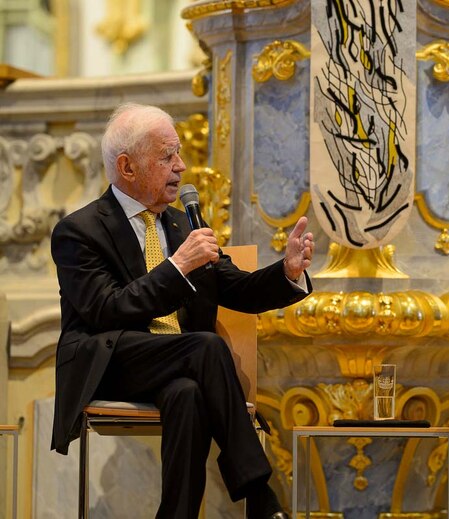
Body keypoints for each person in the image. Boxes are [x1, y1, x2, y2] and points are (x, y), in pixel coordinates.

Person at [50, 103, 313, 519]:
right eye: (167, 156)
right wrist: (178, 267)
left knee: (188, 394)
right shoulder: (79, 231)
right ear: (127, 167)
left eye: (179, 154)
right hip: (112, 361)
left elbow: (237, 288)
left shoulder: (182, 223)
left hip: (178, 364)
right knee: (205, 348)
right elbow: (106, 310)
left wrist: (288, 271)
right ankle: (260, 493)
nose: (182, 166)